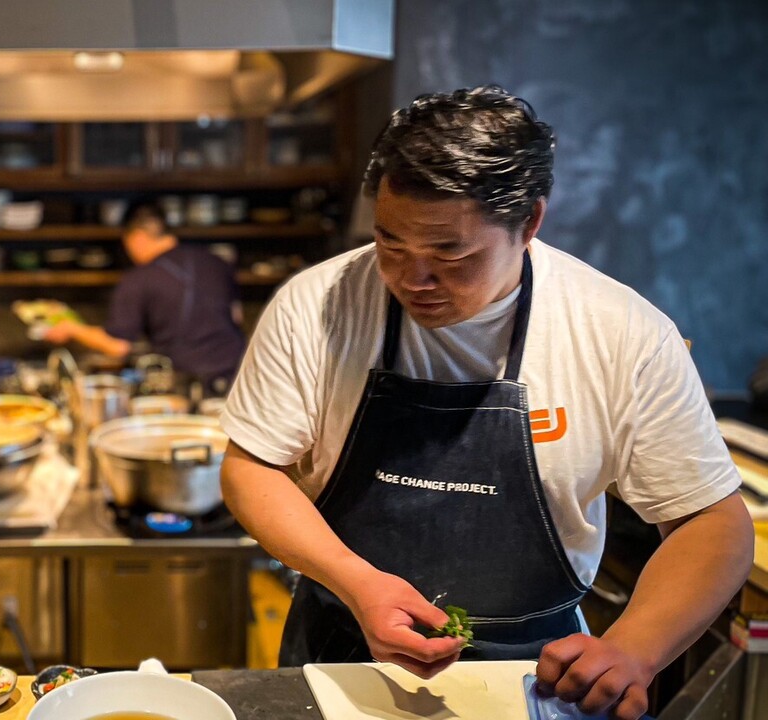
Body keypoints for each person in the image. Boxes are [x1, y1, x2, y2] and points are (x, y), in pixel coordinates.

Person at [218, 86, 752, 719]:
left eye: (450, 253)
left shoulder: (622, 334)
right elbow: (252, 467)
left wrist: (635, 649)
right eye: (391, 243)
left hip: (540, 669)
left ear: (528, 223)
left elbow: (711, 524)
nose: (412, 279)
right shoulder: (318, 305)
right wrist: (359, 583)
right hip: (343, 641)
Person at [43, 202, 246, 394]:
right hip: (241, 371)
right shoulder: (216, 261)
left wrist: (70, 327)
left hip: (188, 380)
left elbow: (117, 346)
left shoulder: (139, 278)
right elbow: (237, 316)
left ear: (137, 237)